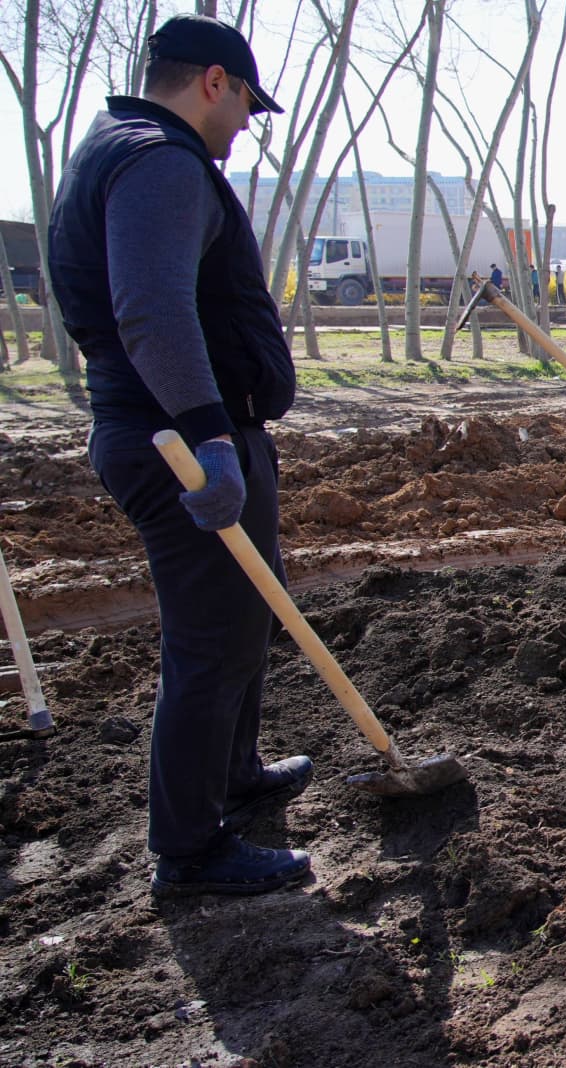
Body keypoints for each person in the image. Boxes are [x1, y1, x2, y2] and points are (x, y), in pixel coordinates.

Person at [47, 14, 312, 897]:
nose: (244, 124)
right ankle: (191, 850)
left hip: (198, 432)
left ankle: (234, 774)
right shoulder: (159, 160)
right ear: (213, 81)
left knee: (246, 616)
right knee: (211, 640)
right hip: (181, 441)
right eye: (247, 105)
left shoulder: (120, 149)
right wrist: (209, 434)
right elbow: (151, 309)